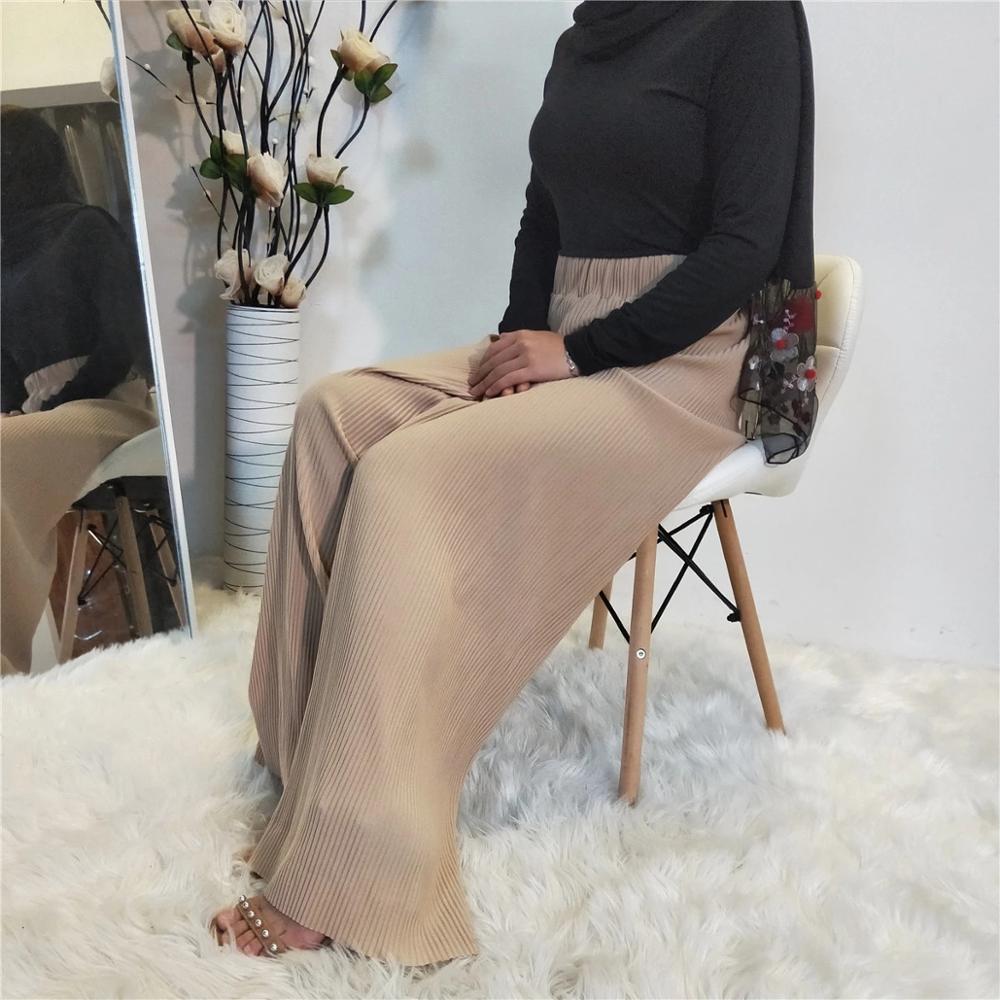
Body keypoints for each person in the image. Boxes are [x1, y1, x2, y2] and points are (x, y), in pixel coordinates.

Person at [211, 0, 815, 965]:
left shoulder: (750, 17)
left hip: (689, 358)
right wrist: (522, 346)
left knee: (407, 475)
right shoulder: (588, 30)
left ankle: (359, 858)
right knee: (333, 415)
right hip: (573, 338)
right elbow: (546, 215)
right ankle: (309, 782)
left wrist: (578, 355)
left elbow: (745, 246)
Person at [0, 106, 158, 675]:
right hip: (44, 416)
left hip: (113, 402)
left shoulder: (87, 228)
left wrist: (58, 403)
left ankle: (6, 657)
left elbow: (123, 340)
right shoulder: (4, 251)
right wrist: (18, 407)